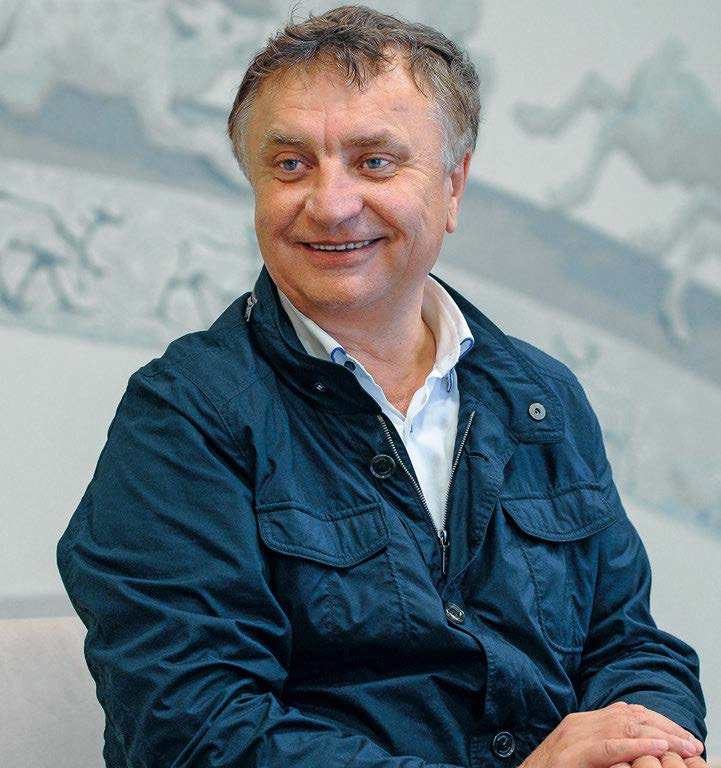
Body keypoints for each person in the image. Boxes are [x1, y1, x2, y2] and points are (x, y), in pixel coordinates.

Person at [57, 5, 707, 767]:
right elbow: (192, 729)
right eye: (290, 165)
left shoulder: (542, 397)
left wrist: (645, 744)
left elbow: (627, 644)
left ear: (453, 186)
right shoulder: (183, 418)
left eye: (373, 163)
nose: (330, 204)